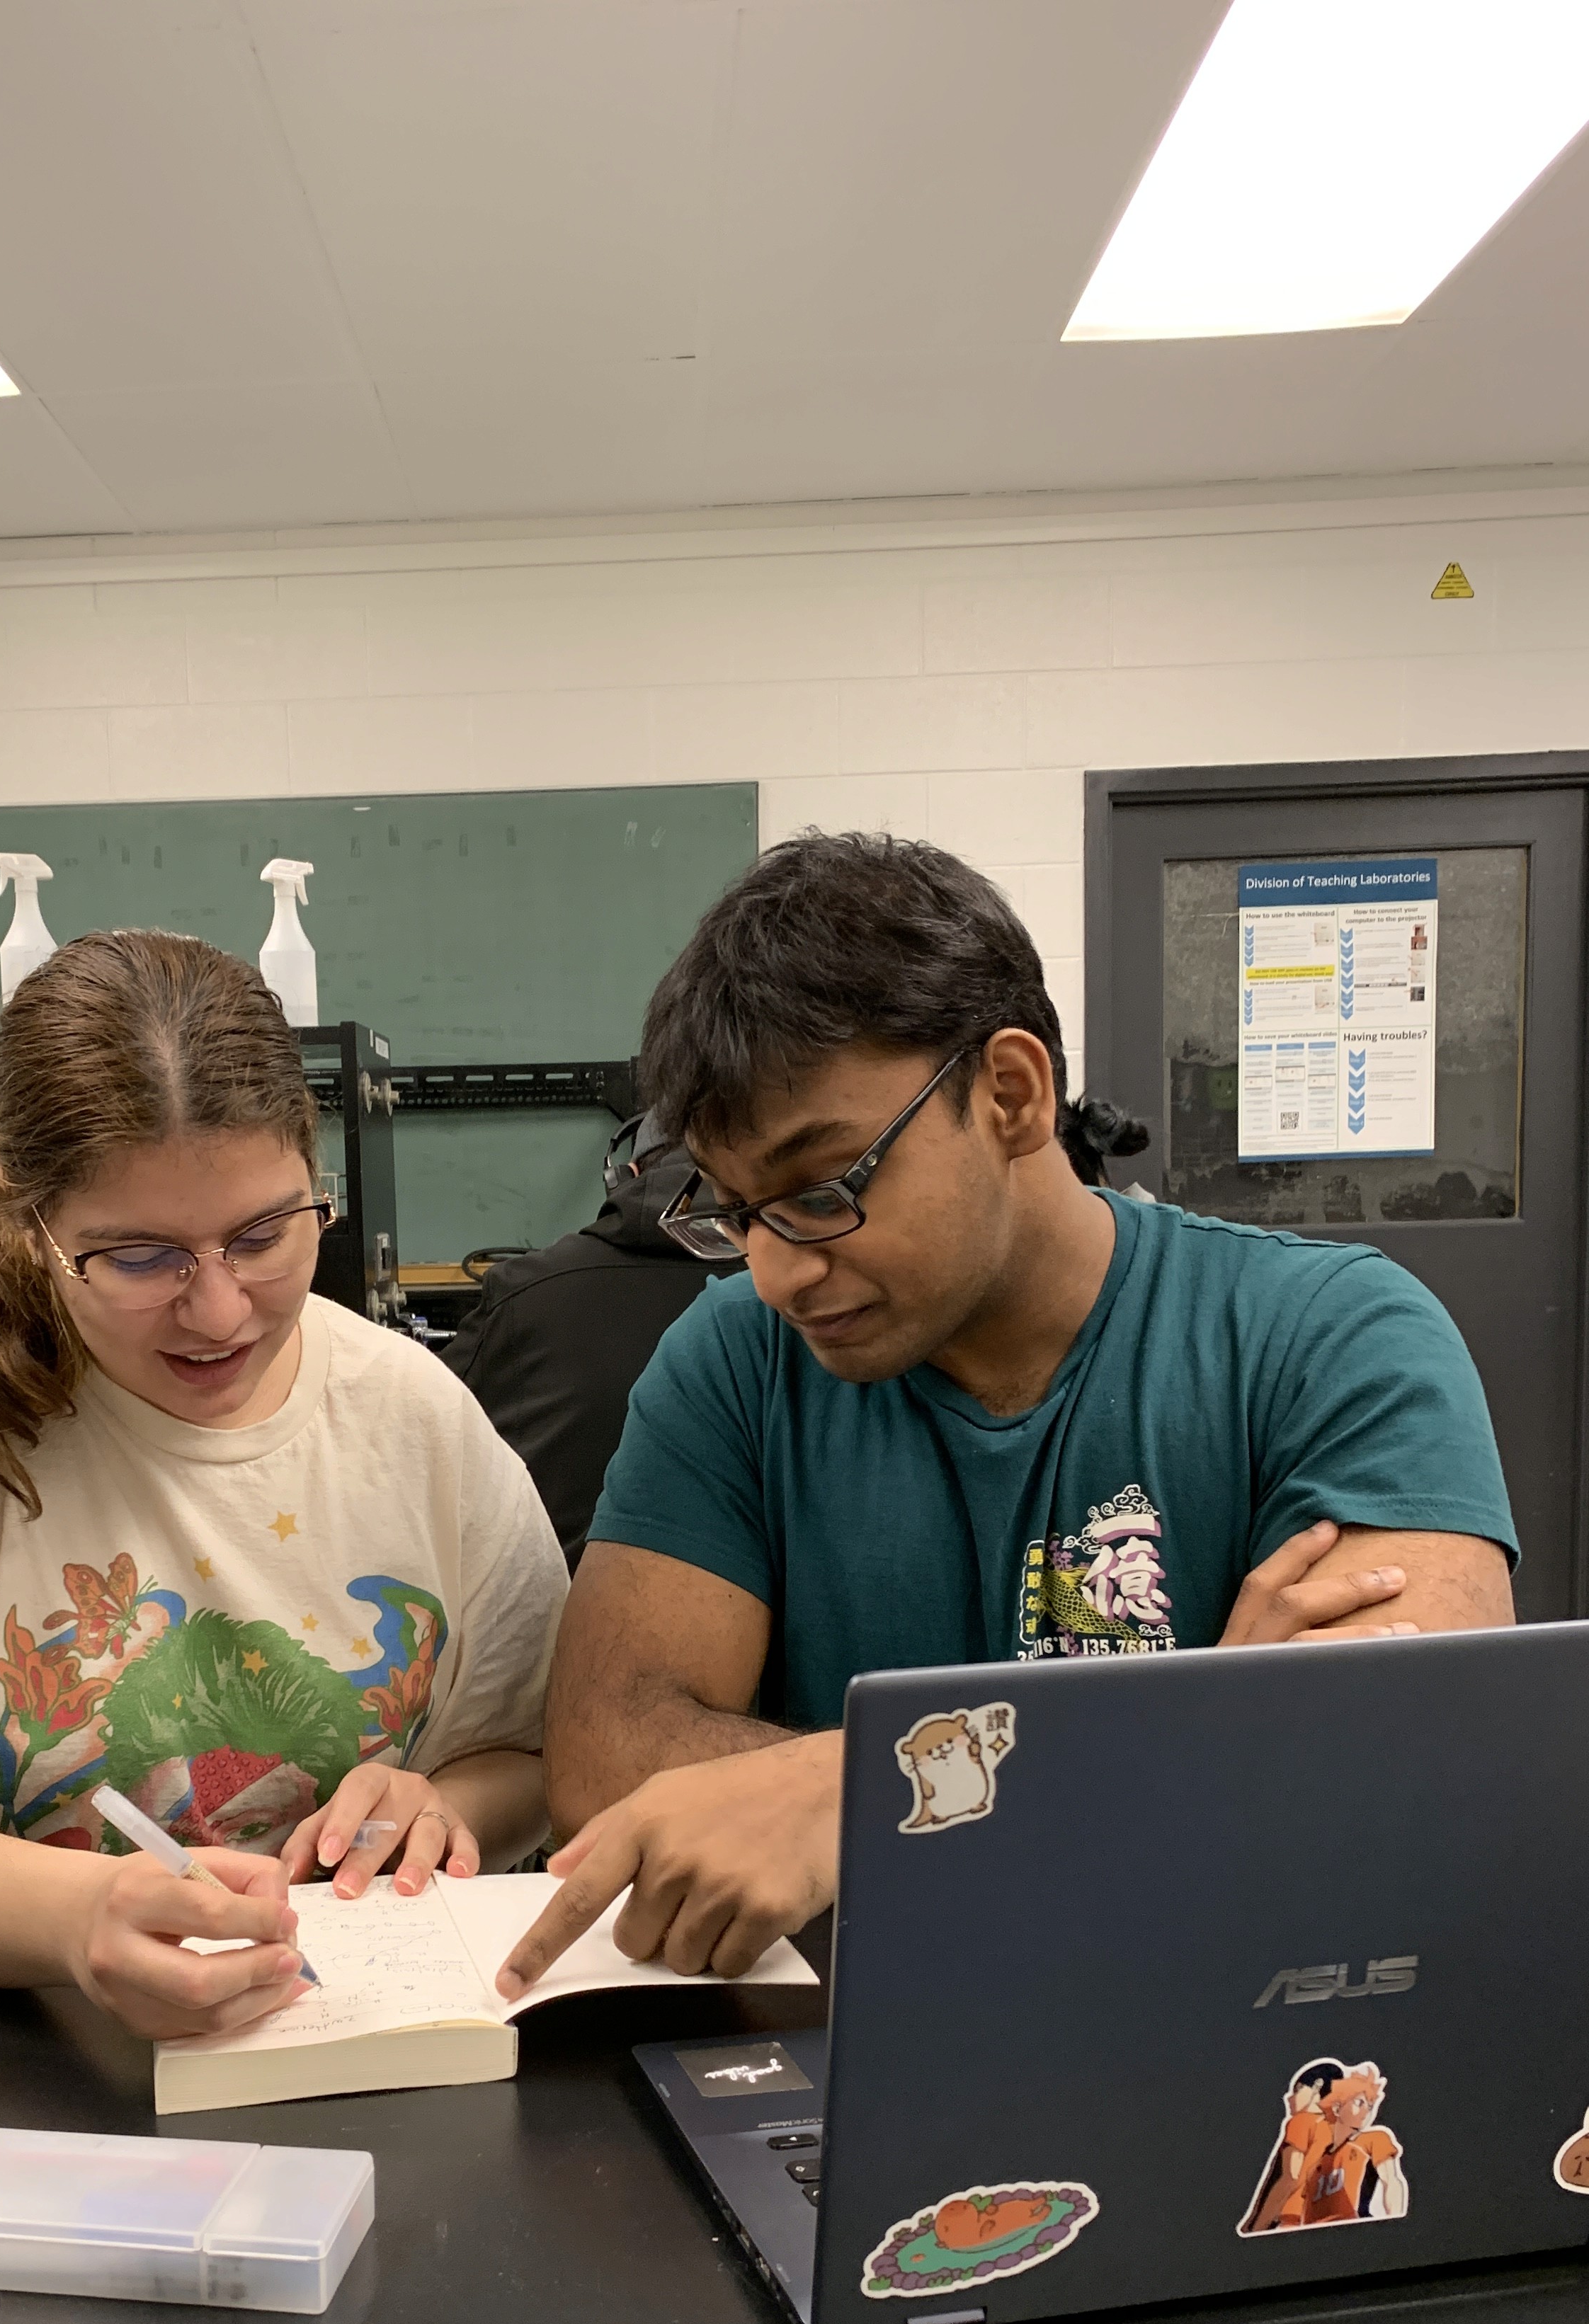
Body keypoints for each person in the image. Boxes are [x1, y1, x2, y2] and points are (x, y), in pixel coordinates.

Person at [494, 831, 1515, 1998]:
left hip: (1218, 2026)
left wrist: (859, 1792)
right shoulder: (733, 1362)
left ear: (1012, 1093)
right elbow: (607, 1755)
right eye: (733, 1212)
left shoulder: (1331, 1337)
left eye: (822, 1190)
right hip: (847, 2042)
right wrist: (1201, 1726)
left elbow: (1394, 1762)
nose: (773, 1273)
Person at [0, 928, 566, 2044]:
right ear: (29, 1220)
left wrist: (443, 1803)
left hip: (359, 2048)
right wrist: (75, 1919)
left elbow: (527, 1753)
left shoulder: (410, 1416)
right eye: (140, 1256)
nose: (219, 1311)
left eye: (263, 1235)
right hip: (10, 2068)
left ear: (315, 1179)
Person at [440, 1111, 722, 1569]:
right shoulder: (795, 1292)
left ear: (623, 1178)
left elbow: (424, 1433)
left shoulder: (527, 1293)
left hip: (563, 1618)